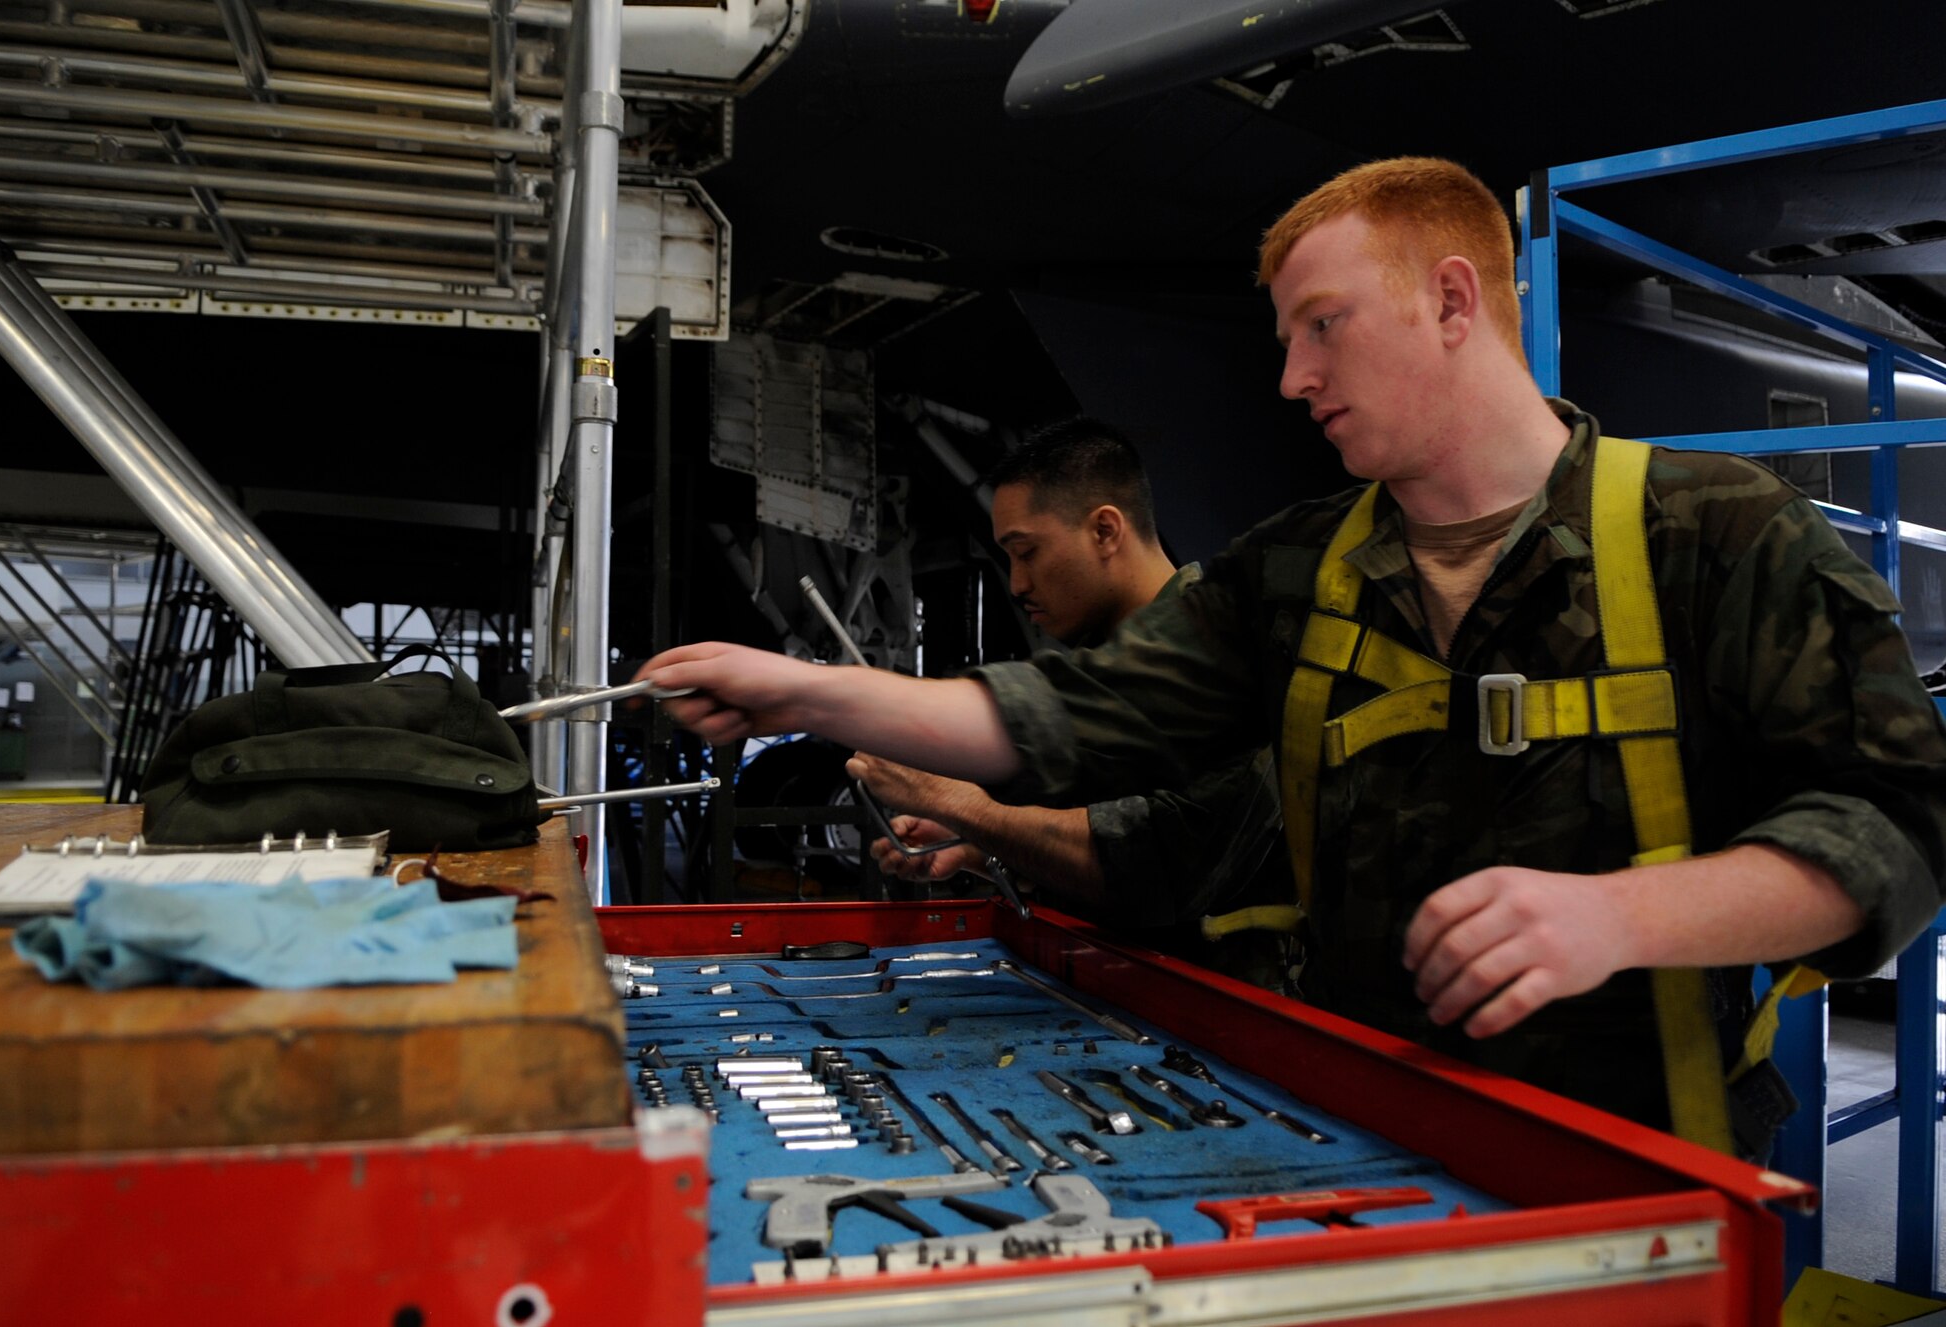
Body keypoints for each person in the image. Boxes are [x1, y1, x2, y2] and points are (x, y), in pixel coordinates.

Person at [643, 158, 1946, 1148]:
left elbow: (1896, 825)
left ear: (1451, 302)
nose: (1290, 375)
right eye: (1282, 336)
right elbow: (1073, 714)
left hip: (1640, 1161)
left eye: (1321, 325)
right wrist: (804, 688)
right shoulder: (1295, 573)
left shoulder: (1711, 535)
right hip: (1365, 1138)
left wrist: (1617, 915)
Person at [850, 419, 1285, 963]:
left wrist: (952, 800)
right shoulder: (1103, 666)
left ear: (1105, 531)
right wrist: (985, 849)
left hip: (1227, 1015)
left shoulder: (1222, 652)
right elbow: (1093, 832)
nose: (1016, 583)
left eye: (1027, 552)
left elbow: (1160, 868)